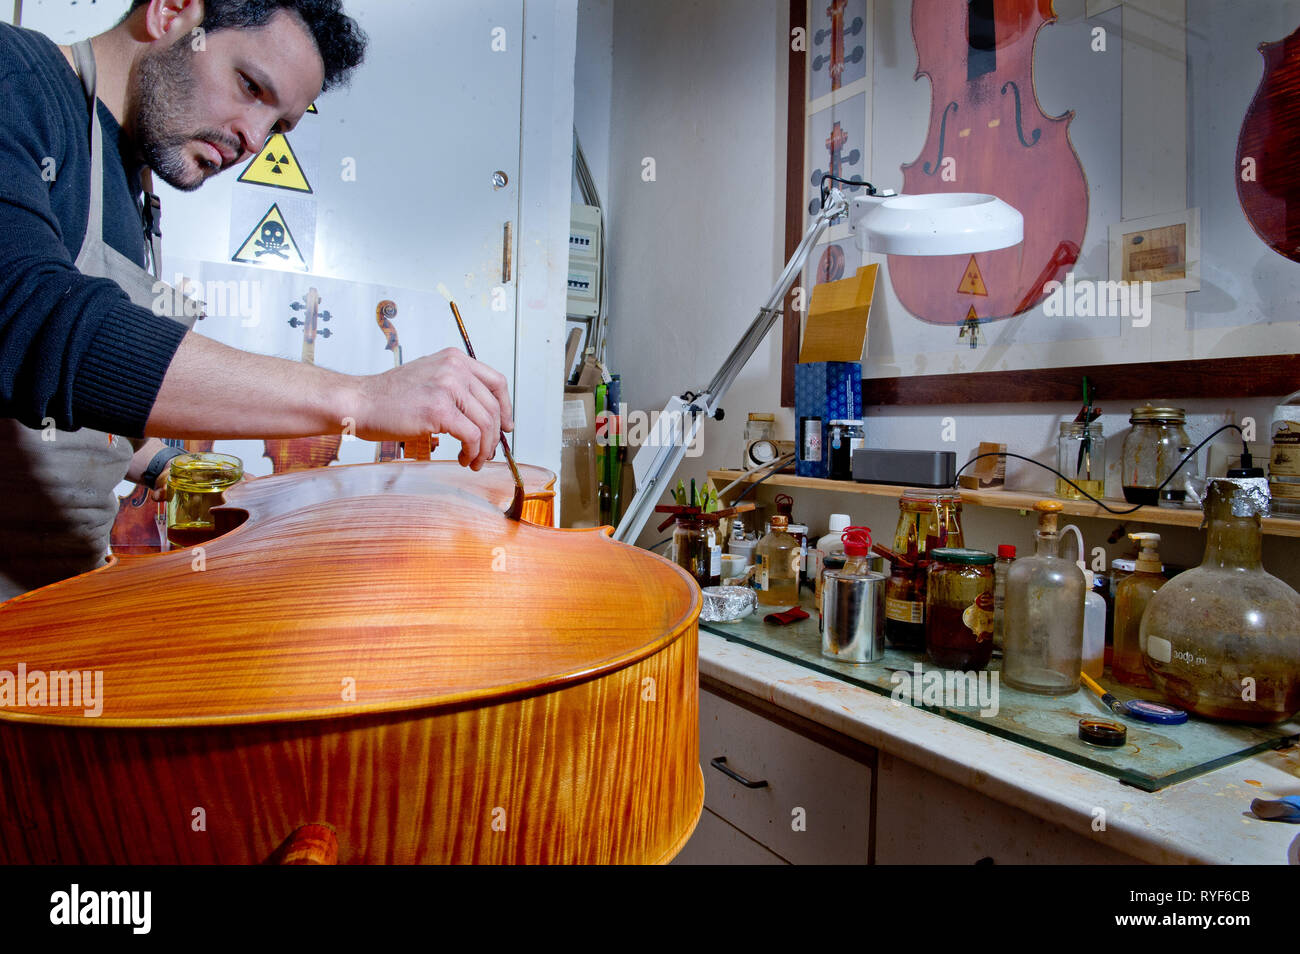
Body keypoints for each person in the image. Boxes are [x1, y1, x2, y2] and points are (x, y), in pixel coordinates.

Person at [0, 0, 515, 599]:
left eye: (279, 126)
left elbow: (80, 416)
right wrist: (361, 395)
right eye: (249, 86)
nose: (253, 139)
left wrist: (174, 467)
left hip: (56, 599)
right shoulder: (18, 80)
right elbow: (33, 323)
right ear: (171, 13)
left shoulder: (132, 185)